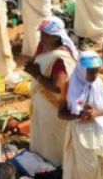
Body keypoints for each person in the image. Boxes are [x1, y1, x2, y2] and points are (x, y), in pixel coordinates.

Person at [58, 53, 103, 179]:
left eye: (97, 71)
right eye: (91, 72)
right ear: (81, 69)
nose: (95, 75)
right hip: (82, 135)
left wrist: (97, 113)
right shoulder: (69, 86)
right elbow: (61, 113)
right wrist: (78, 115)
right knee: (87, 171)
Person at [24, 17, 78, 166]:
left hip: (53, 106)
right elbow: (36, 60)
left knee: (54, 139)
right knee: (43, 135)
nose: (42, 38)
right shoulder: (44, 47)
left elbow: (59, 87)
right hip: (42, 104)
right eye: (42, 34)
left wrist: (36, 75)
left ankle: (59, 166)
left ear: (56, 37)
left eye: (46, 35)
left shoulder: (60, 58)